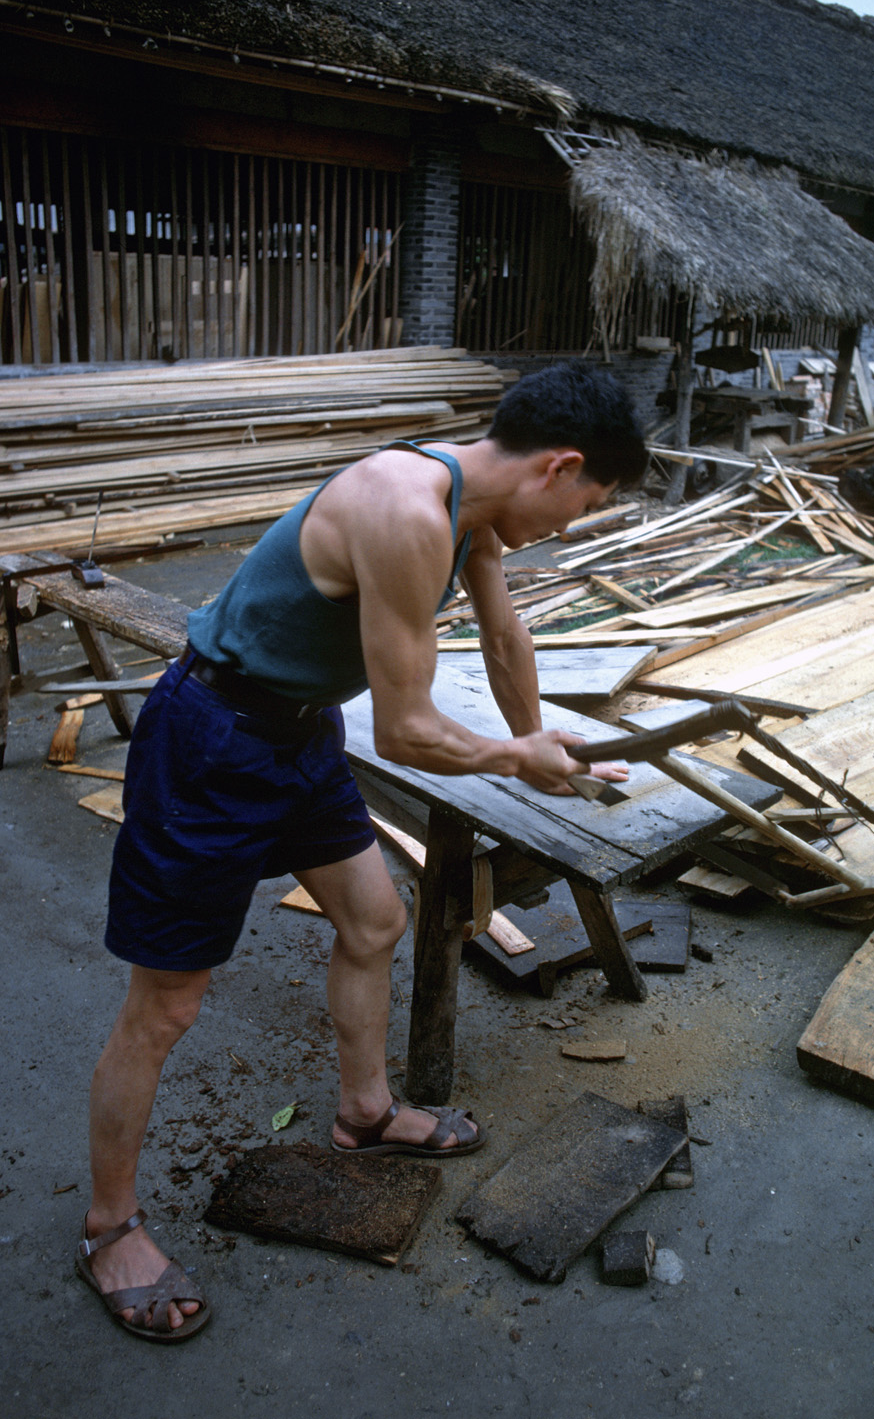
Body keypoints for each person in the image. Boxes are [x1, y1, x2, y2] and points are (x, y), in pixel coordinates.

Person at [75, 361, 649, 1340]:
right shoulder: (407, 508)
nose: (568, 528)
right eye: (583, 507)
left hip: (295, 735)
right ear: (560, 466)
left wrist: (547, 735)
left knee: (375, 920)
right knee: (165, 1004)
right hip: (212, 738)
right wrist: (516, 761)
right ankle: (107, 1228)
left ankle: (366, 1114)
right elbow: (407, 732)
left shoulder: (472, 510)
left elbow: (505, 640)